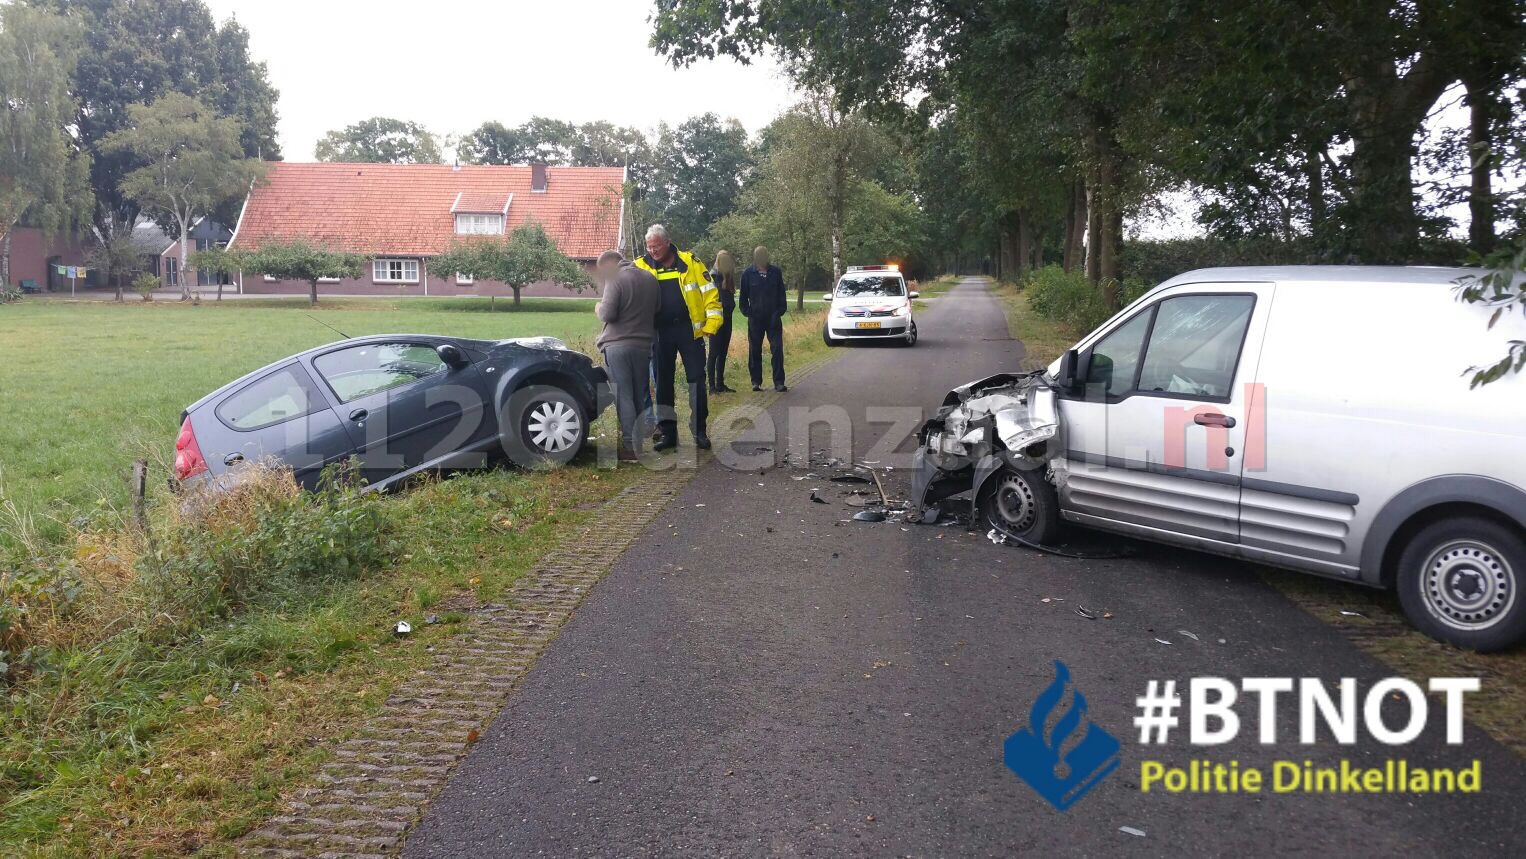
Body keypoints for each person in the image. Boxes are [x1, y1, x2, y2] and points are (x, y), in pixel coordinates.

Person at [633, 224, 723, 451]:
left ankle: (699, 430)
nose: (652, 251)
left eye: (656, 246)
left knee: (697, 381)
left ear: (667, 243)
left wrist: (711, 325)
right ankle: (668, 433)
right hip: (659, 333)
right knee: (663, 383)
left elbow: (711, 295)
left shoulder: (691, 263)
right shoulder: (640, 266)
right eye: (649, 247)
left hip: (689, 331)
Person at [594, 250, 659, 462]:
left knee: (624, 396)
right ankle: (640, 444)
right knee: (640, 394)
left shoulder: (616, 278)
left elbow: (608, 313)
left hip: (618, 346)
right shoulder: (650, 278)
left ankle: (630, 448)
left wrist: (598, 308)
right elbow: (657, 308)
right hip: (644, 345)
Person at [740, 245, 788, 392]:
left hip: (773, 318)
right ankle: (756, 381)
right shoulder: (748, 274)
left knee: (777, 349)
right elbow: (742, 299)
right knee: (755, 350)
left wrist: (779, 312)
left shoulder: (776, 272)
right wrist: (749, 313)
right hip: (756, 319)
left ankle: (779, 382)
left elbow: (782, 296)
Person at [707, 250, 739, 392]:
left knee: (723, 352)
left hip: (728, 318)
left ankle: (720, 383)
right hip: (716, 319)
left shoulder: (728, 278)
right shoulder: (712, 277)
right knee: (714, 353)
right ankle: (712, 386)